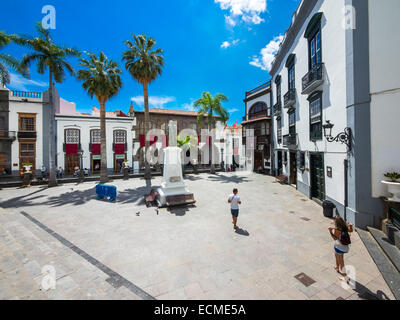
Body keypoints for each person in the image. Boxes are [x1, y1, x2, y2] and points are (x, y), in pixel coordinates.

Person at [328, 215, 353, 283]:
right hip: (345, 247)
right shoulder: (344, 227)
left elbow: (335, 238)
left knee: (342, 262)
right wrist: (350, 225)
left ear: (337, 223)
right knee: (336, 255)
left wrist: (330, 231)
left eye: (334, 221)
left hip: (339, 247)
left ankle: (345, 278)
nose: (333, 222)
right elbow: (351, 230)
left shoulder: (337, 229)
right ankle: (337, 267)